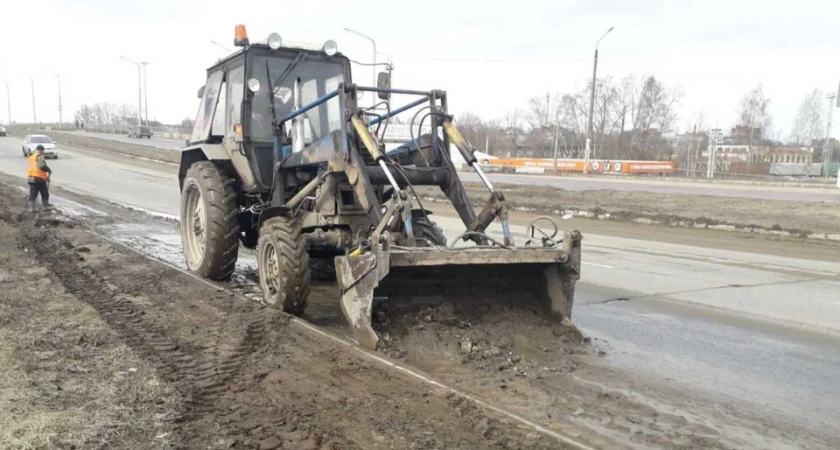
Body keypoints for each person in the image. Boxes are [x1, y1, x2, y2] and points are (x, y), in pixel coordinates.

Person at [27, 144, 52, 211]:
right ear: (41, 150)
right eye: (43, 151)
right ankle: (45, 207)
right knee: (44, 193)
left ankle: (31, 209)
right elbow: (42, 166)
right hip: (39, 178)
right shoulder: (39, 155)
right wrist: (49, 170)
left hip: (31, 177)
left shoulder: (31, 156)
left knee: (33, 193)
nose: (43, 152)